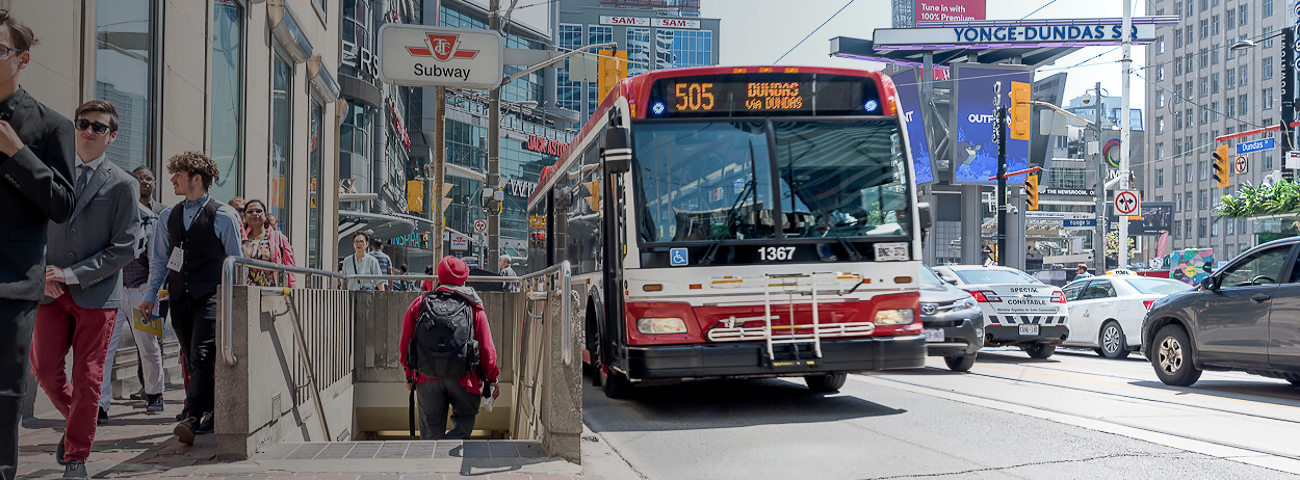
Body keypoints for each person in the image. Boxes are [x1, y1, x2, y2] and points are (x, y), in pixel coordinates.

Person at [31, 100, 141, 479]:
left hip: (96, 294)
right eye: (83, 124)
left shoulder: (125, 185)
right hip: (49, 291)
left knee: (89, 377)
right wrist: (44, 272)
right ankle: (74, 421)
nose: (88, 131)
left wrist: (72, 274)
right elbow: (30, 228)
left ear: (112, 135)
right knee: (43, 370)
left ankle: (77, 456)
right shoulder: (50, 174)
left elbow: (125, 247)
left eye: (98, 127)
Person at [0, 12, 78, 480]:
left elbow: (64, 203)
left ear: (22, 59)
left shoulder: (51, 126)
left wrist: (19, 155)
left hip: (11, 279)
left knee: (6, 392)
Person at [138, 151, 244, 446]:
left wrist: (236, 302)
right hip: (179, 298)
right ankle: (209, 409)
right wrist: (150, 297)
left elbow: (236, 262)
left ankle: (191, 415)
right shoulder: (167, 216)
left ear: (197, 179)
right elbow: (159, 261)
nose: (172, 179)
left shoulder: (223, 214)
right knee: (191, 358)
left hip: (211, 296)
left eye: (178, 175)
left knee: (200, 355)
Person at [399, 256, 500, 440]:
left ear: (440, 275)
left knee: (430, 433)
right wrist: (492, 379)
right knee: (462, 428)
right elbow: (487, 350)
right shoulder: (473, 307)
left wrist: (409, 374)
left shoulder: (420, 304)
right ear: (464, 277)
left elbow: (405, 342)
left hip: (426, 377)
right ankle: (451, 461)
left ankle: (434, 465)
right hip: (465, 379)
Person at [110, 166, 165, 415]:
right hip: (113, 291)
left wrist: (152, 295)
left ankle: (154, 394)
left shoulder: (151, 219)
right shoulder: (110, 216)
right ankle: (99, 405)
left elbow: (155, 262)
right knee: (106, 348)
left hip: (143, 291)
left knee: (148, 345)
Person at [241, 199, 296, 287]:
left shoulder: (278, 238)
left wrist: (292, 291)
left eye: (259, 211)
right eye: (250, 211)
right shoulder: (241, 239)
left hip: (271, 292)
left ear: (265, 215)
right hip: (247, 292)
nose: (255, 213)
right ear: (245, 216)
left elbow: (290, 266)